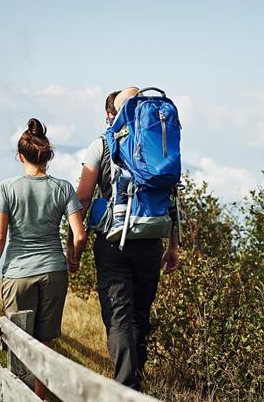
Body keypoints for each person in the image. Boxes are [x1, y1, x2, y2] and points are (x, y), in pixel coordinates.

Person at [66, 88, 179, 391]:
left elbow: (84, 196)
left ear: (110, 114)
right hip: (153, 238)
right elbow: (171, 196)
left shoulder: (102, 144)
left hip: (114, 241)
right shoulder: (158, 141)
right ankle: (136, 380)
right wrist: (173, 245)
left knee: (119, 315)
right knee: (141, 311)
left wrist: (75, 240)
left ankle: (126, 388)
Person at [0, 118, 87, 400]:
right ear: (47, 155)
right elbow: (80, 235)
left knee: (19, 342)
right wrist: (73, 258)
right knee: (44, 344)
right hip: (54, 271)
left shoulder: (7, 188)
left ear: (20, 156)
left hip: (18, 273)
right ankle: (40, 398)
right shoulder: (63, 188)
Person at [105, 87, 139, 242]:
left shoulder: (120, 130)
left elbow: (115, 154)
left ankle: (119, 221)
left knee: (122, 182)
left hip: (131, 172)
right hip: (151, 242)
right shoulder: (148, 125)